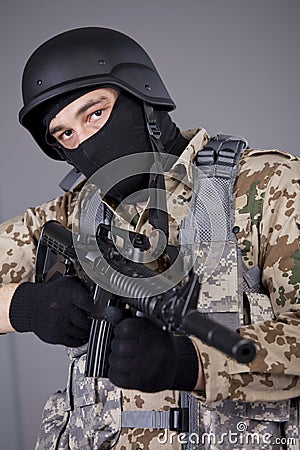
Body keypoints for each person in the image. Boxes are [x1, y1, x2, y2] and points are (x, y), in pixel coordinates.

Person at [0, 26, 299, 450]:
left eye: (95, 113)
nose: (85, 143)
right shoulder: (73, 214)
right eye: (65, 134)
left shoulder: (265, 188)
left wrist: (188, 363)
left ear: (143, 97)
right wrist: (25, 307)